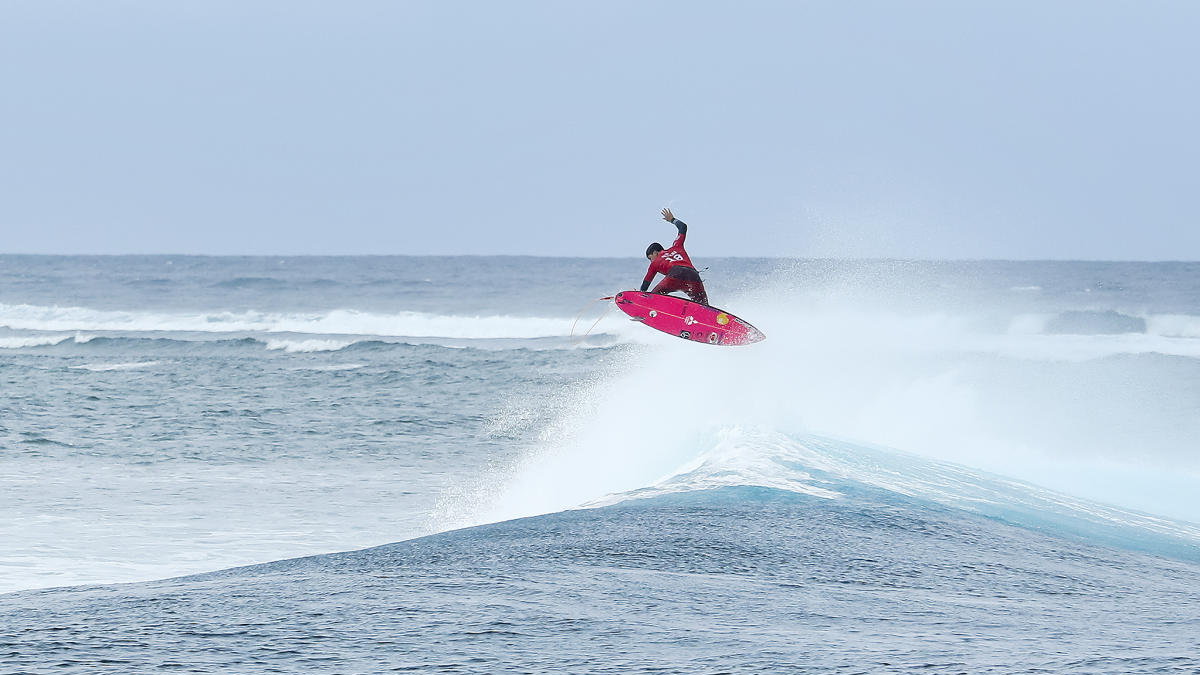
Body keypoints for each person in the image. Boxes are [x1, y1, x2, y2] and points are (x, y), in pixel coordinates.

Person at [640, 208, 709, 306]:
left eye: (650, 258)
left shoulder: (654, 263)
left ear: (655, 253)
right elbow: (683, 227)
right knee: (703, 306)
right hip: (693, 275)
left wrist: (639, 295)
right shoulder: (677, 246)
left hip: (675, 275)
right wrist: (672, 219)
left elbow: (646, 282)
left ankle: (649, 311)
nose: (651, 261)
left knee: (653, 298)